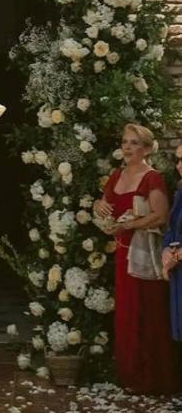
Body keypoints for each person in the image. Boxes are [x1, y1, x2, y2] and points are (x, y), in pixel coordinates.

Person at [94, 123, 178, 394]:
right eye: (124, 142)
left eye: (133, 143)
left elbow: (161, 216)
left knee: (147, 310)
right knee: (128, 312)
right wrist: (98, 205)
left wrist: (130, 225)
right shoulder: (116, 175)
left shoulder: (152, 178)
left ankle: (152, 376)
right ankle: (130, 375)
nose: (127, 147)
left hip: (144, 253)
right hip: (122, 252)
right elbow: (104, 206)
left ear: (145, 148)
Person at [162, 144, 182, 341]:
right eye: (178, 160)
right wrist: (166, 250)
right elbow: (171, 227)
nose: (179, 165)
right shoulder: (179, 193)